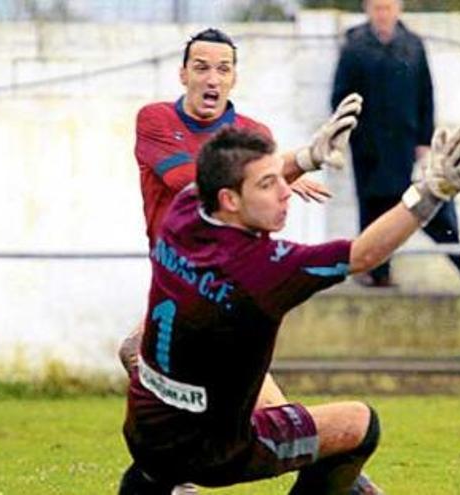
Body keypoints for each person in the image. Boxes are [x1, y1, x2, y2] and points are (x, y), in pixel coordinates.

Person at [118, 125, 460, 493]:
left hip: (144, 431)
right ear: (229, 200)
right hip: (218, 454)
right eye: (268, 185)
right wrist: (431, 193)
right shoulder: (262, 269)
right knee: (360, 424)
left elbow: (231, 180)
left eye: (281, 179)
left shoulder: (184, 211)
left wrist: (306, 159)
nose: (285, 193)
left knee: (141, 345)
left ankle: (147, 481)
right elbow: (364, 254)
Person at [117, 28, 363, 494]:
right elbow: (189, 183)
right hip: (178, 282)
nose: (212, 78)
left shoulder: (254, 137)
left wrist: (285, 171)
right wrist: (292, 163)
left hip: (224, 290)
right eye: (202, 67)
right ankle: (341, 467)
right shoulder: (154, 120)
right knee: (154, 362)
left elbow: (257, 220)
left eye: (223, 69)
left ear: (234, 78)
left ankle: (179, 474)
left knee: (162, 368)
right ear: (183, 73)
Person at [332, 0, 460, 287]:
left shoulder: (413, 46)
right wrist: (342, 134)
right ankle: (372, 270)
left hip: (402, 143)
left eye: (388, 7)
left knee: (401, 203)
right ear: (368, 9)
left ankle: (386, 267)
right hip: (367, 144)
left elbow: (425, 96)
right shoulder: (355, 47)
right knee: (370, 204)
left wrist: (423, 141)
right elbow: (340, 95)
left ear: (398, 9)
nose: (383, 14)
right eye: (378, 8)